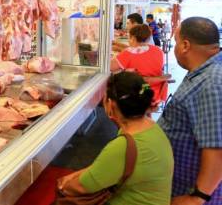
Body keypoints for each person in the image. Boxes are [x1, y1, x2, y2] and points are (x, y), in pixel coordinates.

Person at [58, 71, 174, 205]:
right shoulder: (152, 127)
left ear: (111, 104)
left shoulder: (123, 146)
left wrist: (62, 185)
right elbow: (103, 169)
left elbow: (82, 186)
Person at [158, 17, 222, 205]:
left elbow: (217, 148)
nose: (175, 47)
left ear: (185, 45)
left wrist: (198, 197)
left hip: (190, 193)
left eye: (176, 41)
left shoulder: (213, 83)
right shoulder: (203, 73)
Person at [111, 24, 166, 105]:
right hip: (157, 93)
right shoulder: (159, 51)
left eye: (129, 37)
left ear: (133, 38)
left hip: (138, 93)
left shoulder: (129, 52)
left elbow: (110, 67)